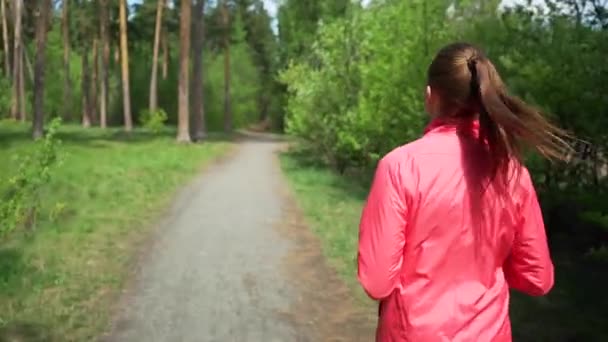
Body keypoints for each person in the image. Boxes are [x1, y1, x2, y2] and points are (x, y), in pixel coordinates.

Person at [357, 42, 571, 341]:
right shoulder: (513, 173)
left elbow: (377, 282)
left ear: (430, 97)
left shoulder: (399, 166)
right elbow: (538, 279)